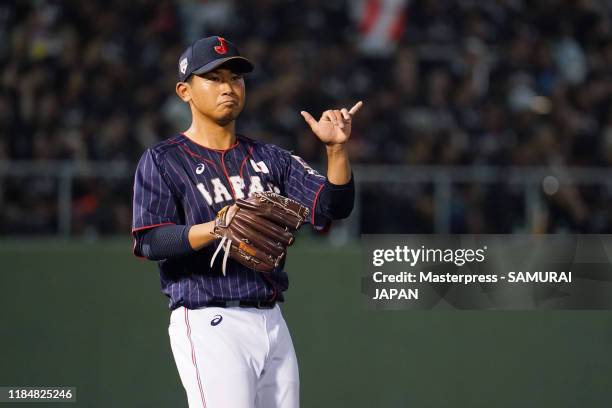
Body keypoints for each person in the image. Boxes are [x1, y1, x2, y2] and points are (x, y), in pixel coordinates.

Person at [131, 36, 361, 408]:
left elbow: (335, 205)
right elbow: (151, 241)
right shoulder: (163, 160)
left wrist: (336, 150)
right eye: (214, 78)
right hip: (209, 320)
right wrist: (218, 227)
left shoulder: (270, 158)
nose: (228, 87)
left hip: (272, 320)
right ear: (184, 91)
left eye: (235, 78)